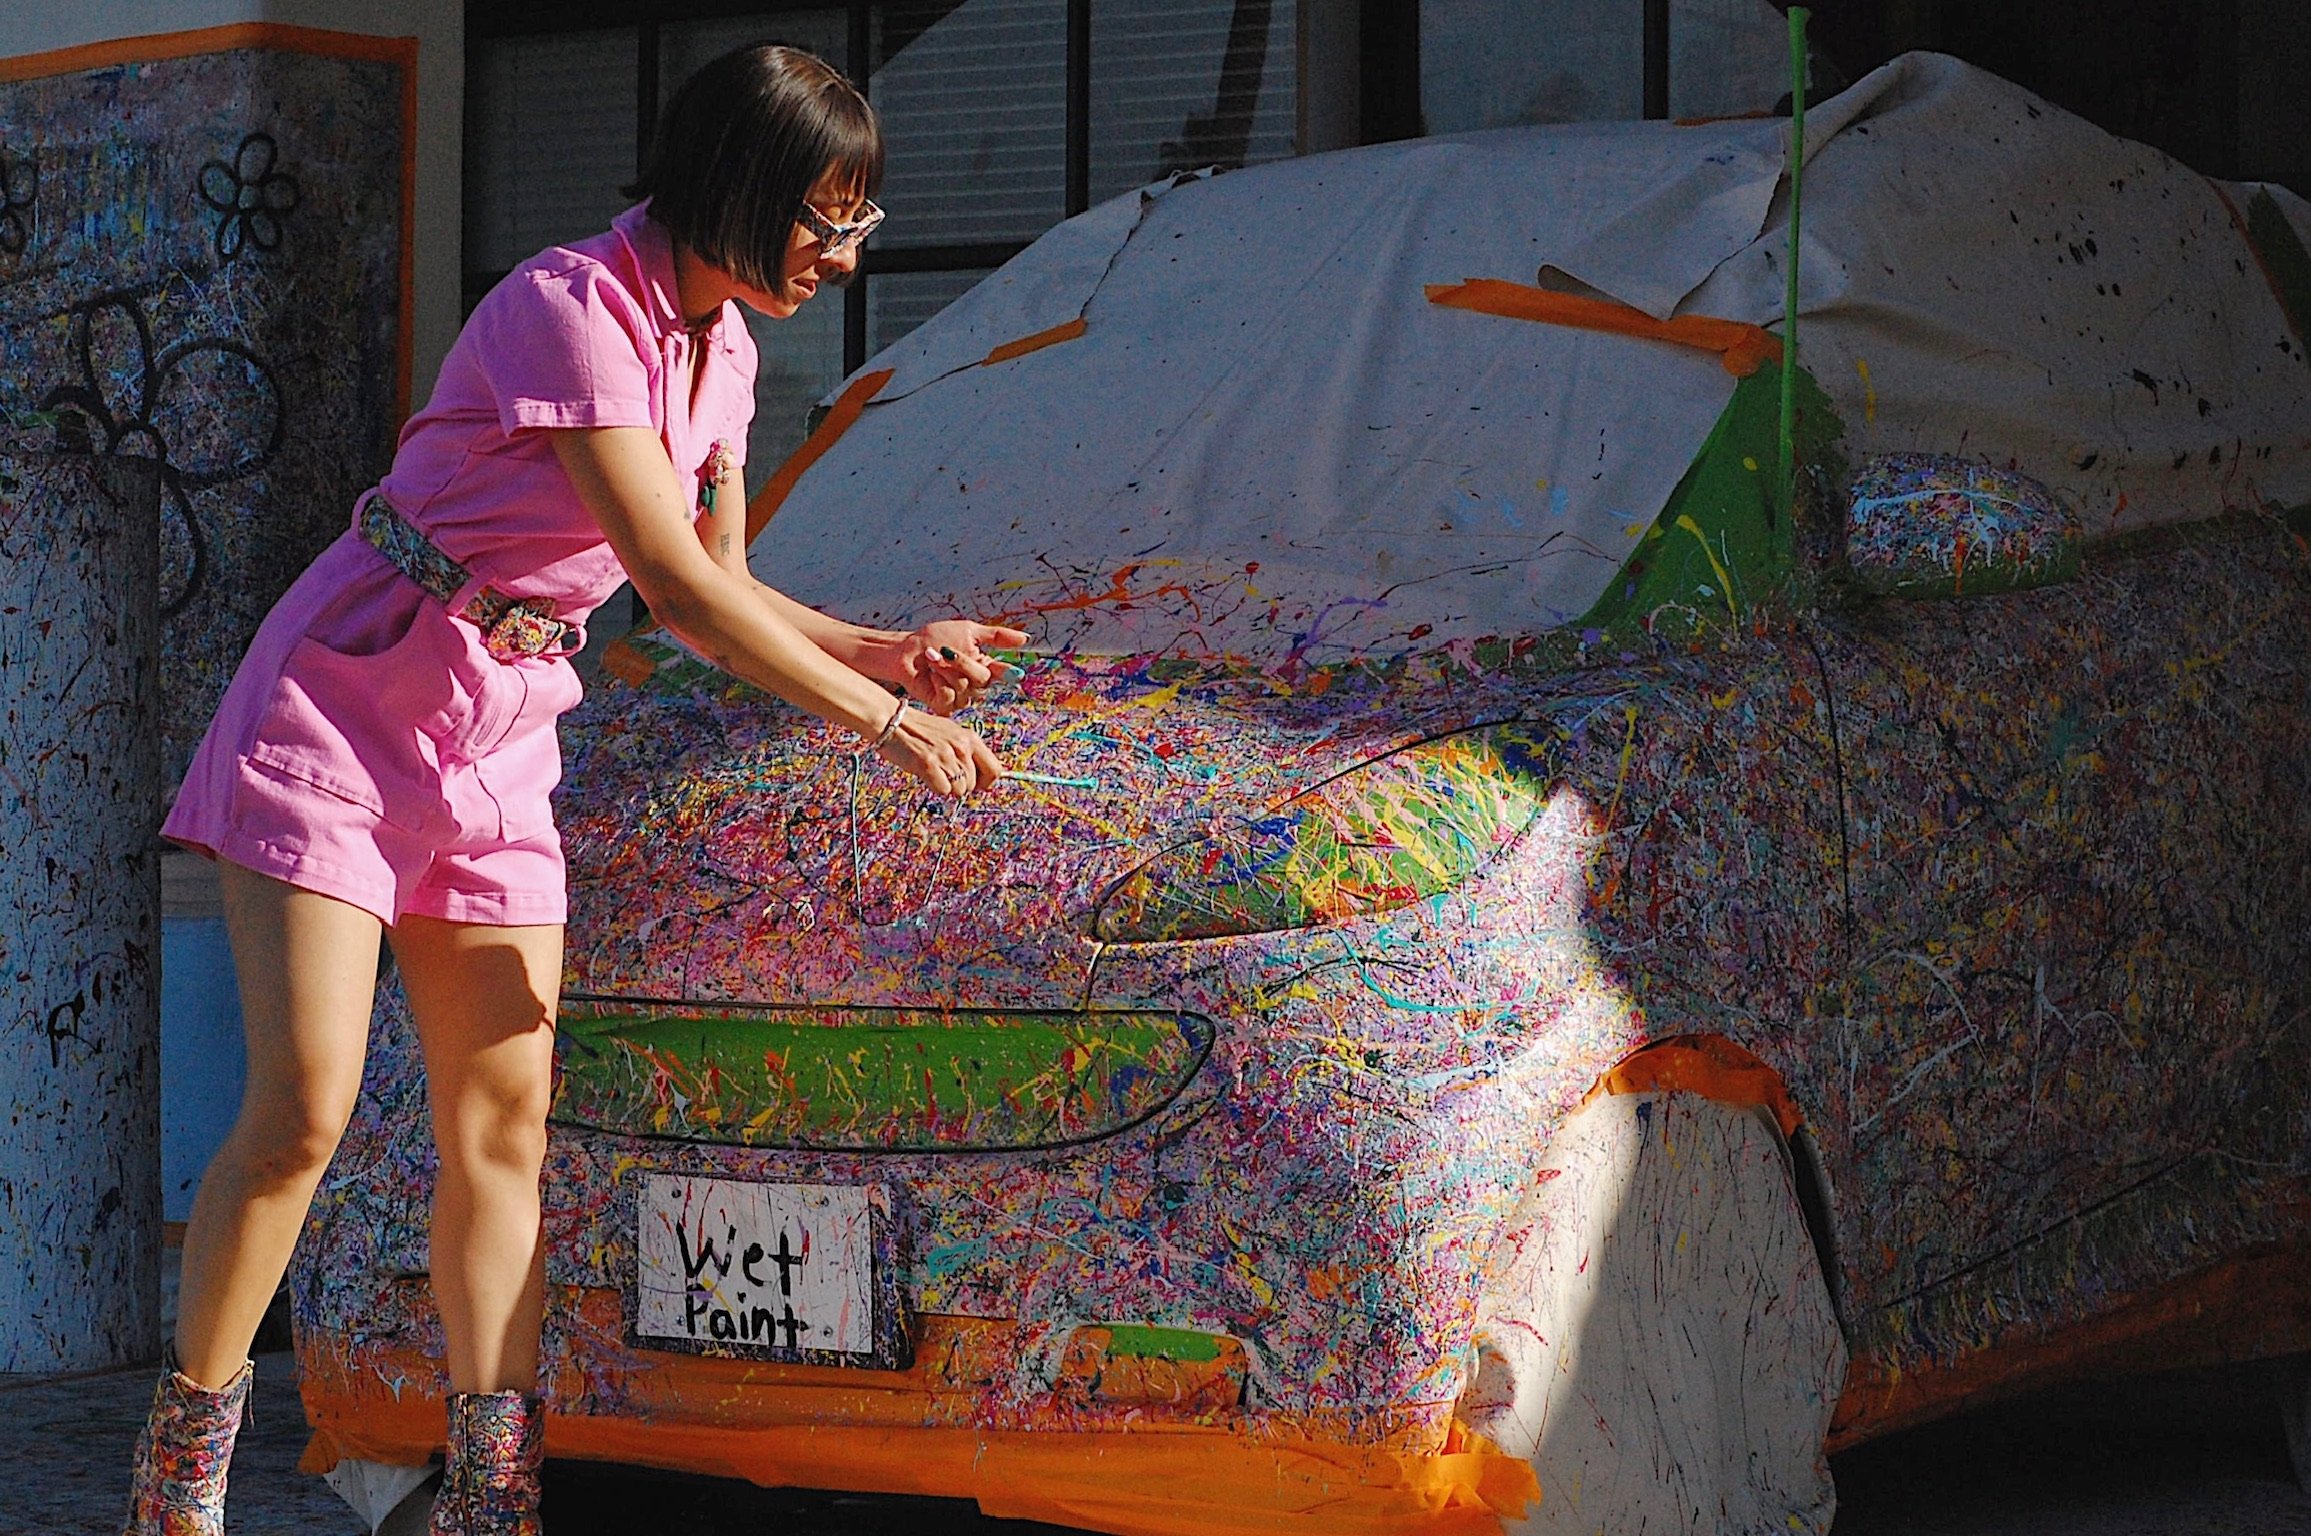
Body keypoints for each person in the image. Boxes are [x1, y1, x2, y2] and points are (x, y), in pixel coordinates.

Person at [123, 43, 1019, 1536]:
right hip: (343, 709)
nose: (845, 254)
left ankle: (495, 1500)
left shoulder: (725, 351)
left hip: (497, 746)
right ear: (733, 185)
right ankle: (177, 1486)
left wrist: (889, 650)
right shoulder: (568, 306)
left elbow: (722, 581)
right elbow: (666, 581)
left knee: (504, 1129)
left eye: (856, 222)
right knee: (301, 1113)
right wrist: (878, 722)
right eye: (824, 215)